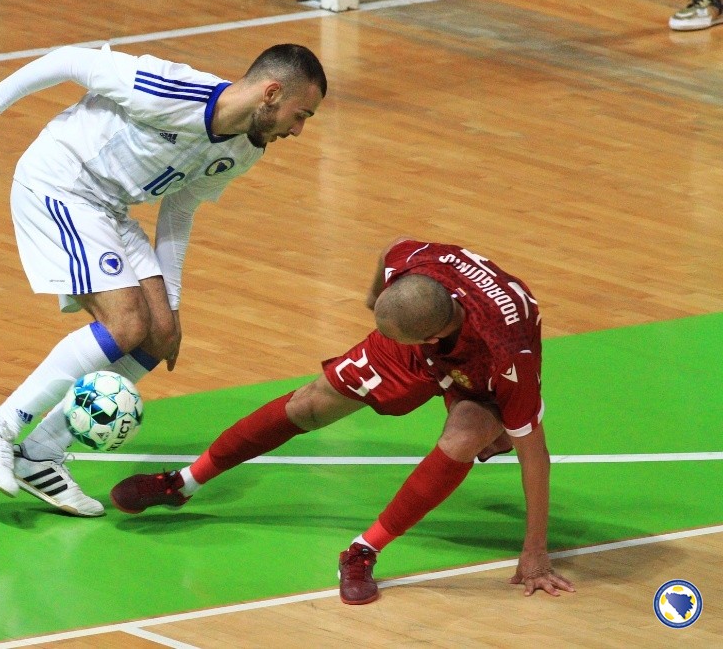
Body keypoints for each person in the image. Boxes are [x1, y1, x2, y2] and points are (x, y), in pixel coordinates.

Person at [0, 43, 327, 517]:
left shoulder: (243, 151)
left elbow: (179, 209)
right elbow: (69, 60)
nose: (298, 131)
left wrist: (172, 304)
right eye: (300, 115)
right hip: (61, 183)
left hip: (109, 209)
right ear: (271, 93)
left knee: (159, 336)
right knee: (125, 324)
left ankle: (40, 454)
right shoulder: (169, 89)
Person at [110, 238, 575, 604]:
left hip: (479, 371)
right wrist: (375, 296)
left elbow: (537, 456)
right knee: (310, 404)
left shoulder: (509, 353)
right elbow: (395, 242)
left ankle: (362, 551)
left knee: (463, 438)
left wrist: (535, 552)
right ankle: (183, 483)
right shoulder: (414, 265)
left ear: (433, 334)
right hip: (414, 348)